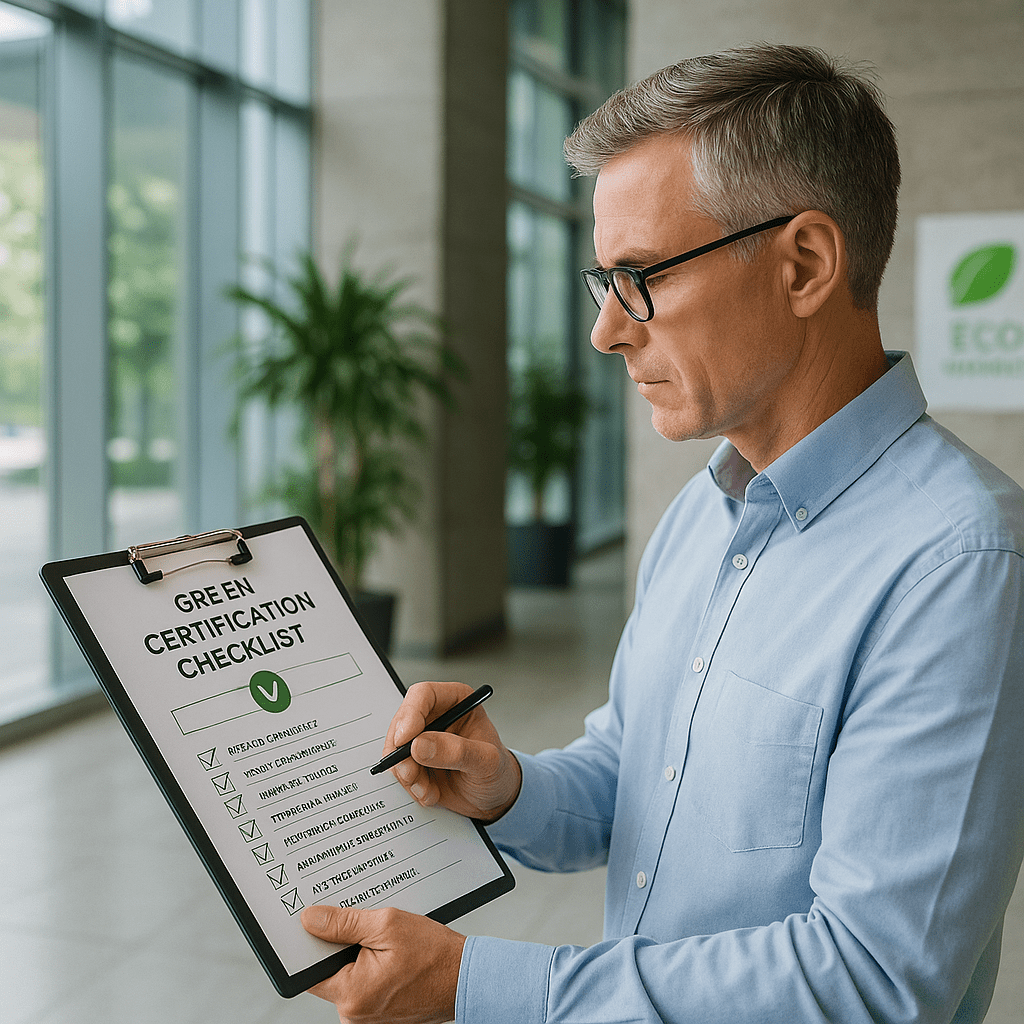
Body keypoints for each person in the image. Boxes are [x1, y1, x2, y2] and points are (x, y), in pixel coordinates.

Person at [300, 44, 1024, 1024]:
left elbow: (872, 980)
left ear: (804, 264)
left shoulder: (962, 563)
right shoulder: (702, 510)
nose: (607, 329)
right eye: (603, 279)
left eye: (641, 275)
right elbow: (637, 771)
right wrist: (506, 788)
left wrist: (480, 988)